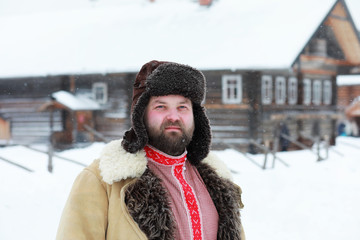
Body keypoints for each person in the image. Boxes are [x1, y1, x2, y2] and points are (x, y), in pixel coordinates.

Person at [56, 60, 245, 240]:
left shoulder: (218, 182)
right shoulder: (102, 180)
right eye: (161, 106)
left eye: (182, 107)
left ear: (195, 116)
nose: (174, 116)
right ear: (141, 115)